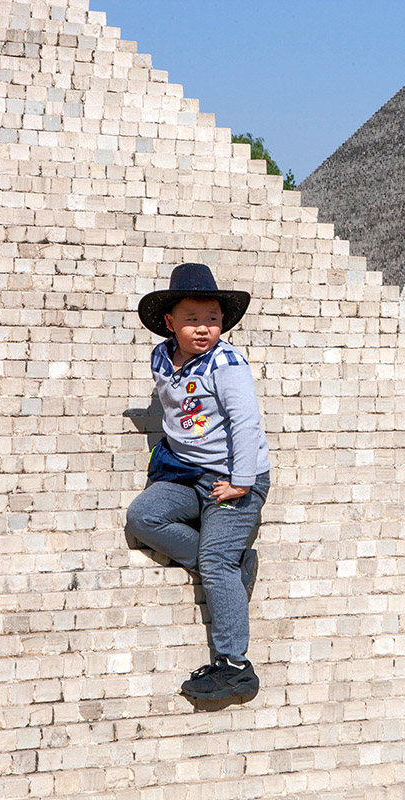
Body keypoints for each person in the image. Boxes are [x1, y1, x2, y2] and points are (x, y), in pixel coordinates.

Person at [126, 262, 273, 701]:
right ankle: (232, 570)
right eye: (192, 320)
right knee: (143, 516)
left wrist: (242, 481)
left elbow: (246, 423)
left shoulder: (226, 362)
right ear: (170, 323)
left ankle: (234, 668)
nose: (204, 329)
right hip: (190, 476)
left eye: (212, 319)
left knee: (214, 560)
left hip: (234, 480)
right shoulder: (160, 358)